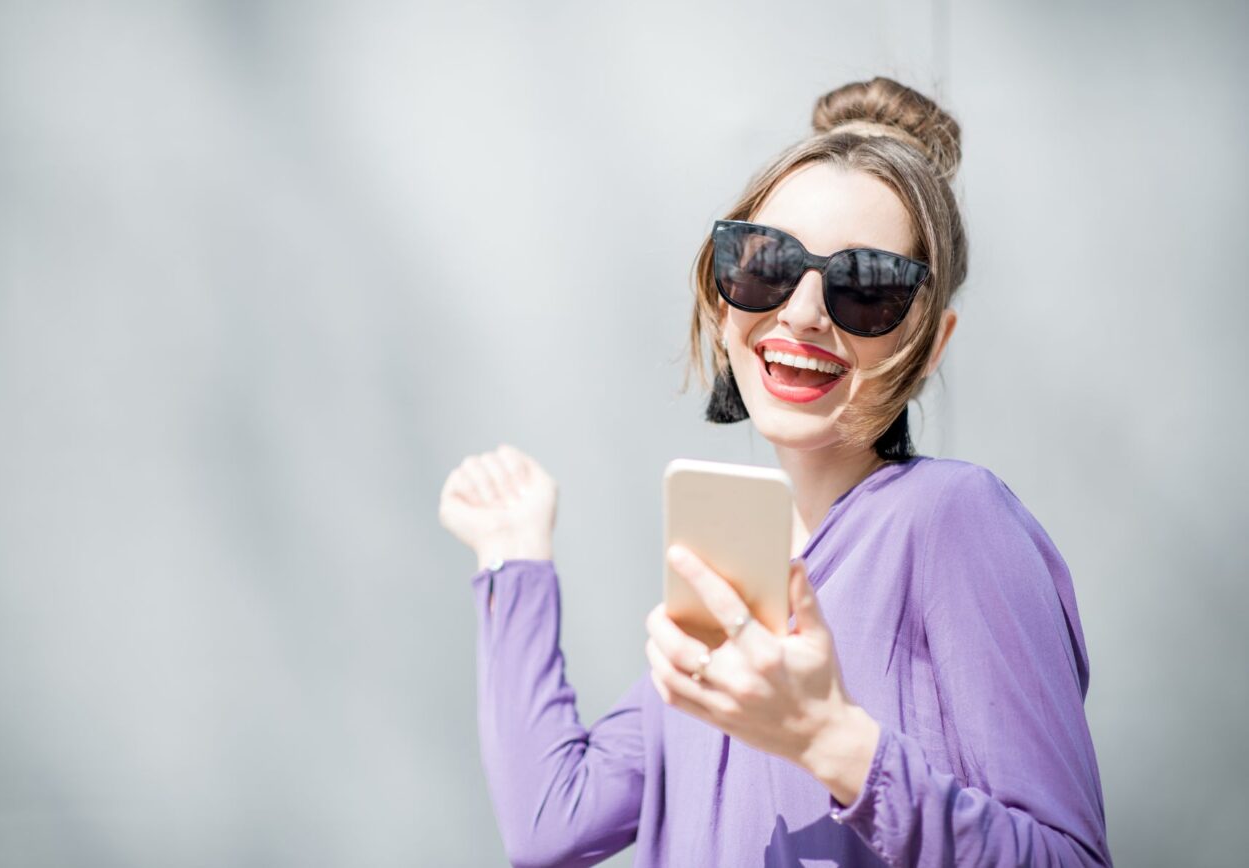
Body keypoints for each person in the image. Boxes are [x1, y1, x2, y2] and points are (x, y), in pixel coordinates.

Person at [437, 76, 1112, 867]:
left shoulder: (952, 518)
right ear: (724, 298)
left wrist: (834, 745)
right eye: (768, 264)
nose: (801, 312)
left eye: (866, 288)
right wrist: (514, 554)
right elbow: (554, 822)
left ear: (931, 343)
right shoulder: (739, 579)